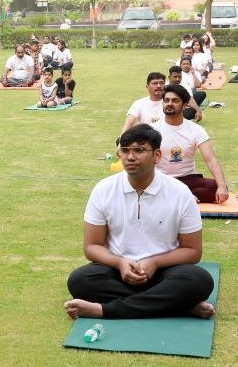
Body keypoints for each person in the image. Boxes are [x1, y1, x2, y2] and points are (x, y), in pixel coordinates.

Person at [64, 124, 216, 320]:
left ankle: (104, 310)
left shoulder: (180, 193)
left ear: (158, 155)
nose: (130, 157)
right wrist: (120, 263)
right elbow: (92, 246)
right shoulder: (104, 189)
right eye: (125, 150)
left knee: (200, 281)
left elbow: (193, 251)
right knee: (79, 281)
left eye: (139, 150)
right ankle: (179, 307)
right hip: (118, 270)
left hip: (163, 271)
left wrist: (155, 262)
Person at [152, 85, 228, 204]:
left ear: (185, 105)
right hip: (162, 179)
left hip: (188, 179)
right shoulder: (152, 130)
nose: (169, 104)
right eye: (166, 100)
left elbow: (210, 159)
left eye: (175, 101)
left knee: (215, 187)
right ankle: (184, 196)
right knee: (148, 188)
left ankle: (178, 195)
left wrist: (222, 186)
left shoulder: (195, 129)